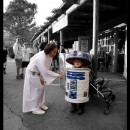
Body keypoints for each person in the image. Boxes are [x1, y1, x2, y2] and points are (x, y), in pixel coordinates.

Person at [23, 42, 65, 115]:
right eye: (54, 52)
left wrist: (42, 79)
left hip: (37, 73)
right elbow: (45, 70)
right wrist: (58, 75)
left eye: (56, 52)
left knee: (41, 89)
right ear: (49, 50)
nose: (55, 54)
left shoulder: (48, 56)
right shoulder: (42, 56)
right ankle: (35, 108)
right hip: (32, 73)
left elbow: (45, 68)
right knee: (38, 89)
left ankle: (41, 104)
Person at [66, 51, 91, 115]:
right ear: (73, 63)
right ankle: (73, 106)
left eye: (79, 62)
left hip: (82, 86)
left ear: (82, 63)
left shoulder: (85, 70)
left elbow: (90, 76)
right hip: (73, 85)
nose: (77, 63)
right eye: (76, 61)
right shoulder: (71, 69)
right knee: (72, 93)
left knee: (81, 94)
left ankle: (81, 107)